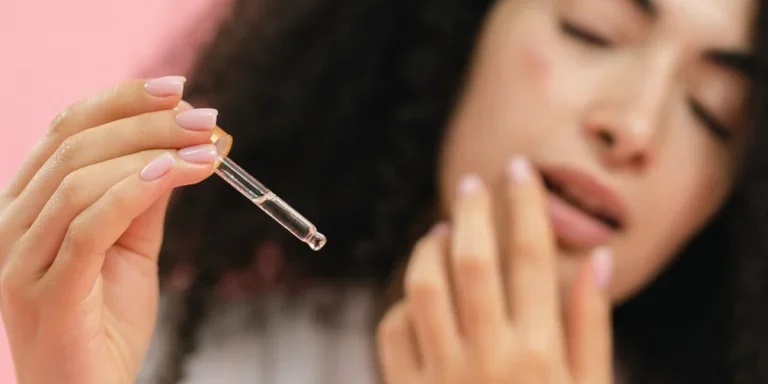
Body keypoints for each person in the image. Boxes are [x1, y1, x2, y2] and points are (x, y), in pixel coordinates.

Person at [1, 0, 767, 382]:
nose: (634, 126)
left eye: (714, 112)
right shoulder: (177, 359)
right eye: (591, 30)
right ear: (460, 36)